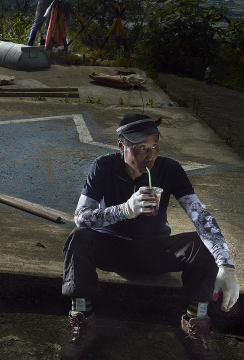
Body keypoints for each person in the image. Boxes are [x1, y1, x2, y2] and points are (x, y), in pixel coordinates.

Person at [60, 114, 239, 360]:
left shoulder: (169, 169)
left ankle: (195, 324)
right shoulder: (103, 166)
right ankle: (82, 323)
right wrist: (124, 210)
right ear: (121, 146)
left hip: (155, 250)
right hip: (112, 248)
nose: (150, 155)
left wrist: (226, 263)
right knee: (78, 237)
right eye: (141, 148)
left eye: (154, 146)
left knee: (202, 244)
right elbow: (81, 217)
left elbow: (200, 216)